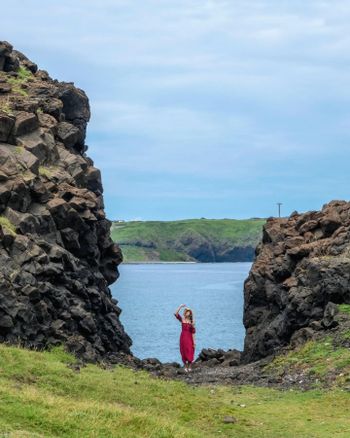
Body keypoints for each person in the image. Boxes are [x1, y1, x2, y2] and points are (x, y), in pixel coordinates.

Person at [174, 304, 196, 372]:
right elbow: (176, 313)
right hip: (183, 337)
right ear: (185, 313)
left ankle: (189, 366)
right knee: (183, 351)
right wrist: (180, 306)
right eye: (186, 312)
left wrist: (194, 342)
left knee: (190, 351)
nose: (187, 313)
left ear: (190, 314)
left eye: (188, 312)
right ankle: (185, 367)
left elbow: (193, 332)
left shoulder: (192, 322)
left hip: (189, 338)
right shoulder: (182, 319)